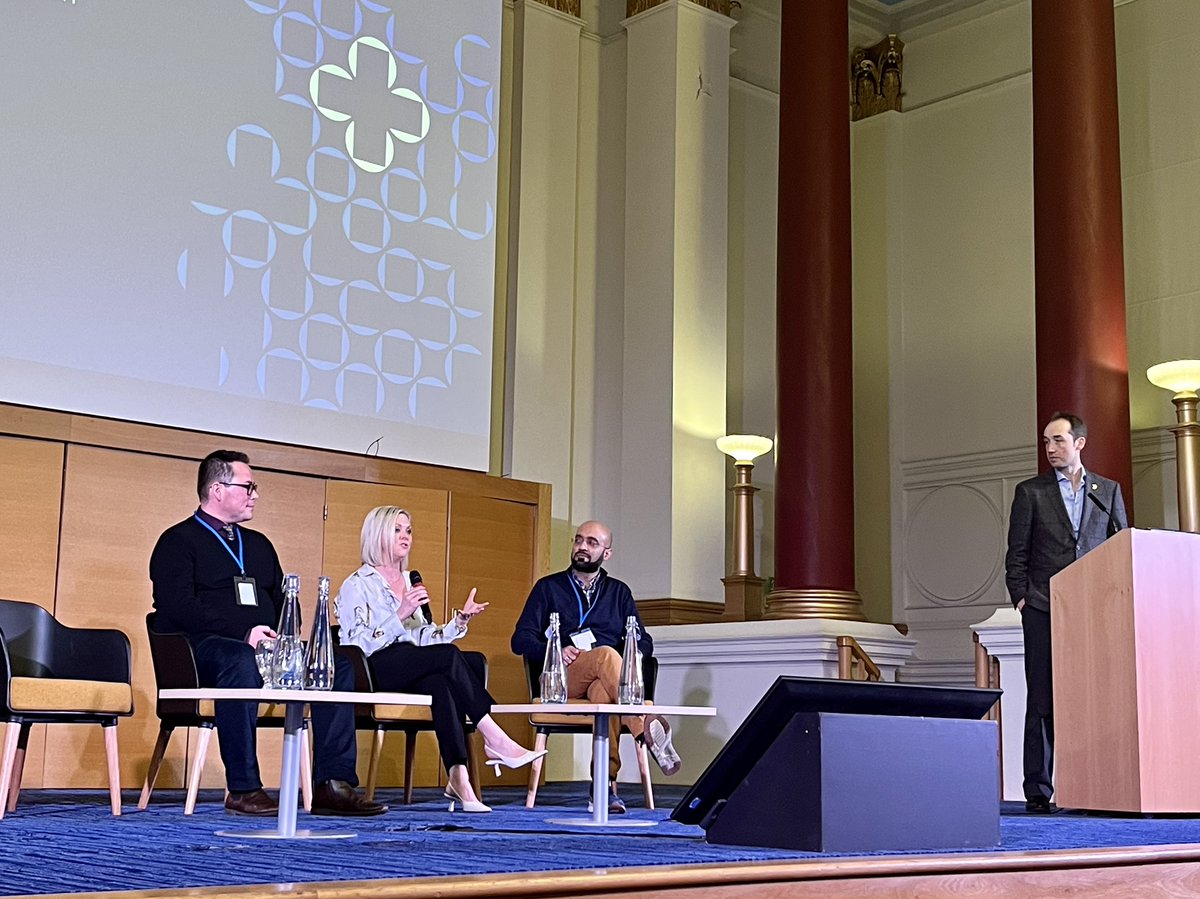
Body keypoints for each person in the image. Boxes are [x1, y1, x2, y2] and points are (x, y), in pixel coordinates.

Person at [149, 450, 386, 818]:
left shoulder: (259, 544)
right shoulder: (177, 542)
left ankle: (332, 785)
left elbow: (283, 602)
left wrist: (284, 637)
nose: (255, 494)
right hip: (203, 649)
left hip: (266, 647)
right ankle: (243, 787)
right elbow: (177, 606)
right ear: (217, 489)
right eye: (248, 486)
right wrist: (244, 633)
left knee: (336, 664)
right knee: (239, 660)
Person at [334, 505, 546, 814]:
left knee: (452, 674)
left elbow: (421, 637)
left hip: (410, 662)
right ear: (377, 533)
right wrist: (399, 614)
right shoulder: (358, 583)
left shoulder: (409, 580)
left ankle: (459, 777)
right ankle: (494, 737)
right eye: (397, 529)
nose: (406, 536)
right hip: (375, 669)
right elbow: (356, 645)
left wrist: (458, 623)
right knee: (448, 660)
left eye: (409, 530)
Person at [511, 519, 681, 814]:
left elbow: (645, 642)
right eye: (579, 540)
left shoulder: (619, 593)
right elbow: (520, 640)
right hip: (563, 679)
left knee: (605, 692)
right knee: (605, 656)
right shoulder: (548, 588)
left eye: (592, 543)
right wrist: (554, 649)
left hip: (603, 681)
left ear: (607, 553)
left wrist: (626, 658)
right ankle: (645, 723)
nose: (582, 547)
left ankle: (603, 788)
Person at [1005, 412, 1127, 814]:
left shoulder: (1105, 490)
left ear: (1080, 443)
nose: (1051, 449)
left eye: (1058, 441)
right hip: (1041, 605)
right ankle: (1038, 791)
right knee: (1042, 697)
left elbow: (1119, 548)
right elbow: (1016, 553)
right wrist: (1021, 598)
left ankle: (1097, 786)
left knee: (1094, 696)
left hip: (1093, 611)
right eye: (1046, 442)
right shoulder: (1031, 491)